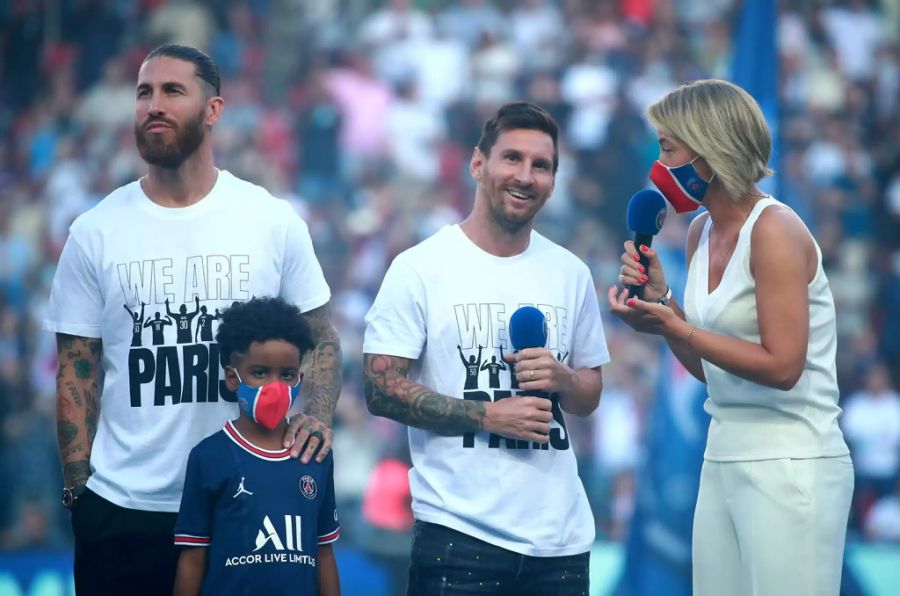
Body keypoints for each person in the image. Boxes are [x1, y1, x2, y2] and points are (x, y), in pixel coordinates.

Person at [44, 44, 342, 595]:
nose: (153, 105)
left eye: (172, 91)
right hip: (125, 509)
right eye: (144, 92)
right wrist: (79, 494)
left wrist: (317, 419)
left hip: (246, 501)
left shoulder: (270, 221)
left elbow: (321, 340)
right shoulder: (95, 231)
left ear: (213, 110)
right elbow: (76, 368)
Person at [608, 79, 853, 596]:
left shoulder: (776, 231)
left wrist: (681, 326)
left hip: (790, 459)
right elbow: (707, 367)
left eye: (668, 148)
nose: (659, 163)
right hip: (722, 453)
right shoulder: (699, 231)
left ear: (709, 152)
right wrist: (663, 305)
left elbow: (784, 367)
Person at [363, 101, 610, 595]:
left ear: (554, 179)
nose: (525, 175)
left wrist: (563, 378)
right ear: (478, 164)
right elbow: (379, 388)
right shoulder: (421, 267)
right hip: (459, 538)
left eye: (541, 165)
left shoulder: (570, 273)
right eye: (512, 159)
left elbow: (589, 395)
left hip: (560, 545)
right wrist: (488, 416)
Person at [173, 297, 340, 596]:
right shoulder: (208, 457)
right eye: (260, 372)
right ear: (232, 378)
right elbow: (193, 559)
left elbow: (323, 553)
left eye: (287, 374)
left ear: (300, 378)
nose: (274, 386)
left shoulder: (315, 454)